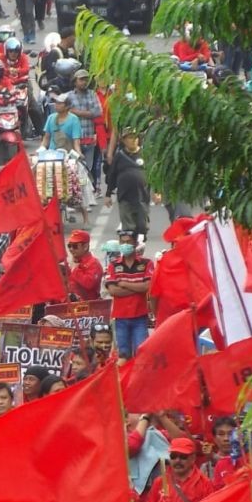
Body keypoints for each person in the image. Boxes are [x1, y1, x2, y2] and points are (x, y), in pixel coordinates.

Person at [104, 229, 153, 358]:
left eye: (128, 242)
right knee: (123, 355)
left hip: (140, 317)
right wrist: (137, 287)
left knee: (141, 354)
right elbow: (113, 290)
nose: (125, 245)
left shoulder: (146, 263)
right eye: (122, 242)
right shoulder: (113, 265)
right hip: (120, 318)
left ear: (135, 244)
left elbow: (147, 286)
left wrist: (124, 284)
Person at [105, 127, 150, 238]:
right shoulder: (119, 156)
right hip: (125, 197)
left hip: (142, 198)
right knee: (128, 231)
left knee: (142, 227)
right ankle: (130, 252)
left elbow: (154, 174)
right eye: (130, 138)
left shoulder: (145, 154)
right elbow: (112, 175)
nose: (133, 140)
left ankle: (139, 251)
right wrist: (108, 194)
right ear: (124, 140)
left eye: (135, 138)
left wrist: (158, 192)